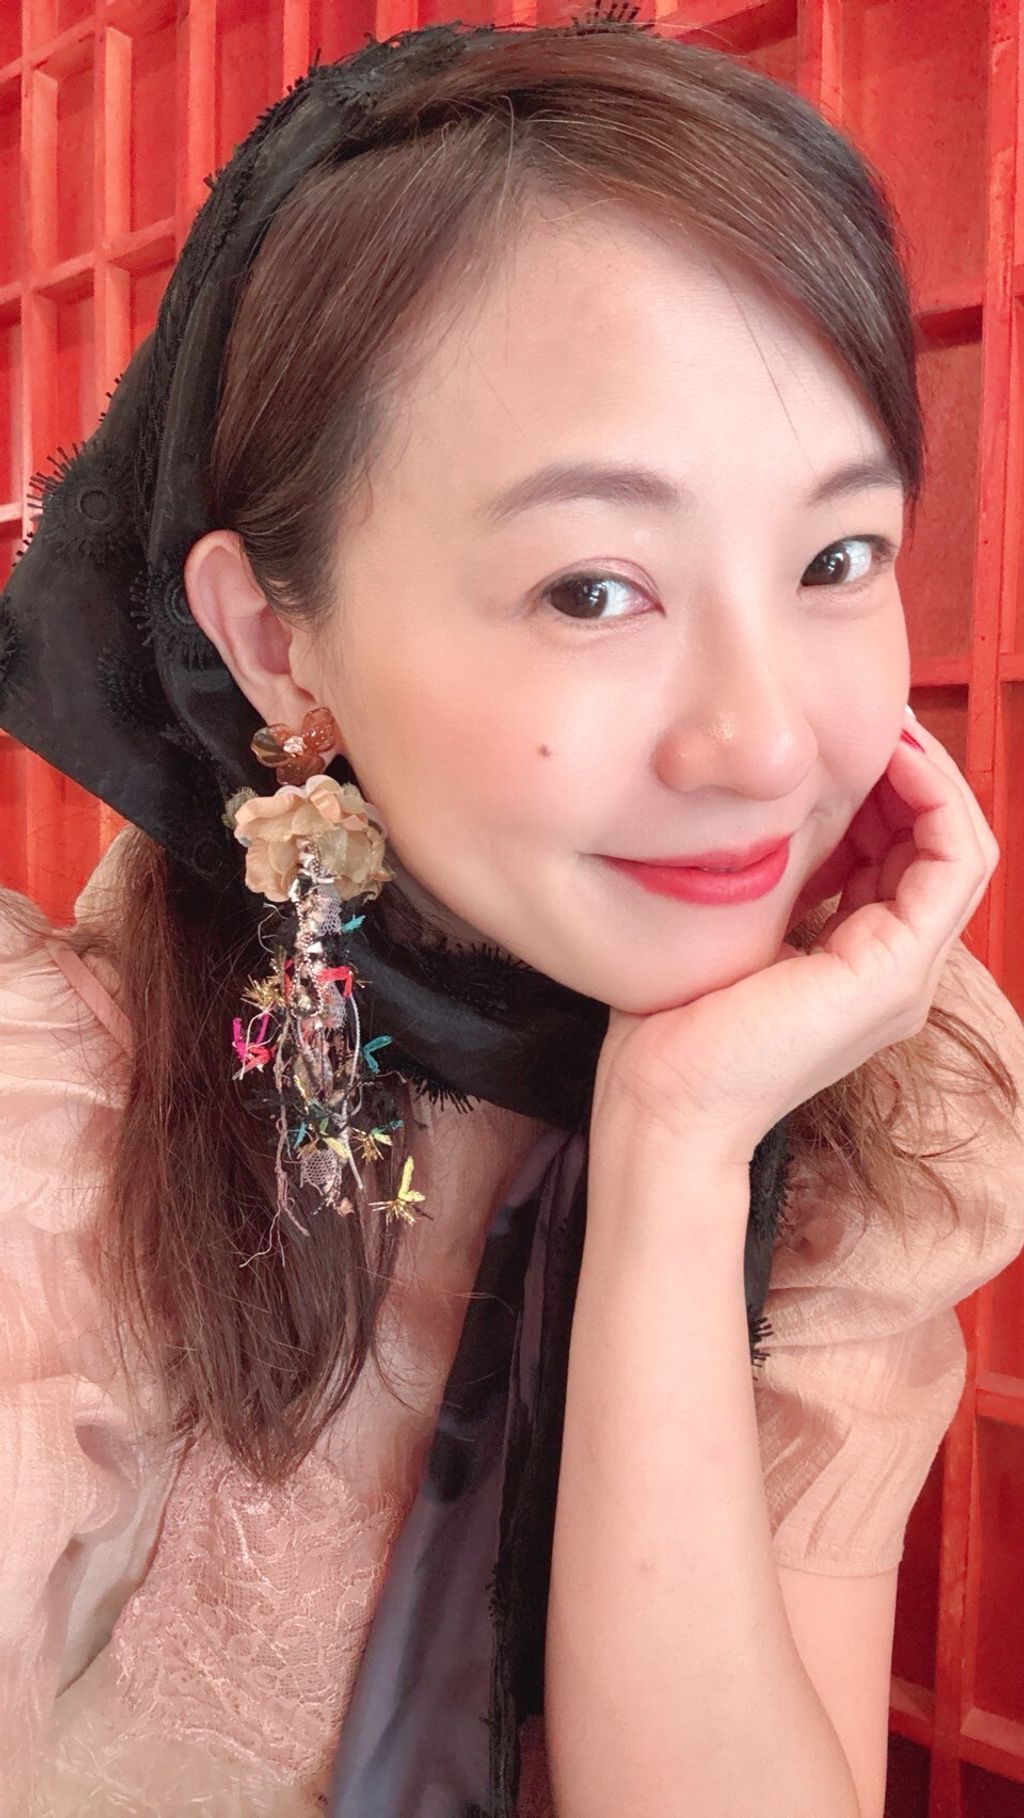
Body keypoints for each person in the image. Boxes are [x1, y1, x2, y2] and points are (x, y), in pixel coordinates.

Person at [1, 12, 1023, 1817]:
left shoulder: (865, 1130)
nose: (767, 743)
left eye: (835, 557)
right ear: (277, 643)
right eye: (593, 588)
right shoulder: (68, 1123)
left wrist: (679, 1149)